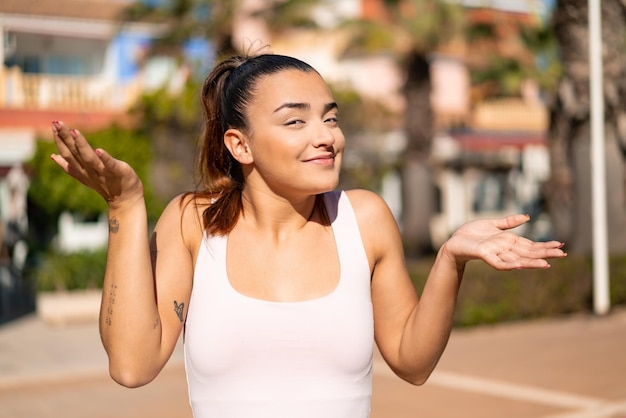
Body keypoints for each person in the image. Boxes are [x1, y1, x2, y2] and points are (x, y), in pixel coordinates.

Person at [50, 53, 566, 418]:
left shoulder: (363, 219)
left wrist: (450, 259)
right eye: (295, 122)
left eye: (330, 118)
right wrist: (124, 206)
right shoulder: (192, 222)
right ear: (240, 144)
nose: (327, 136)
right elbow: (132, 365)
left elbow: (413, 362)